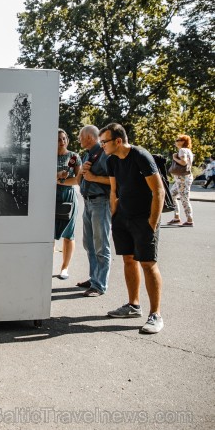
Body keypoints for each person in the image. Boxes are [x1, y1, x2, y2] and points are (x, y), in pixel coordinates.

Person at [101, 123, 165, 334]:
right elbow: (113, 191)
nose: (102, 146)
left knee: (148, 264)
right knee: (128, 260)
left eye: (105, 142)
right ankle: (133, 305)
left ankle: (155, 315)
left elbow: (158, 191)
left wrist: (152, 224)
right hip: (123, 218)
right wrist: (114, 215)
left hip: (143, 219)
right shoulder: (111, 161)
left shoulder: (141, 156)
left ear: (118, 141)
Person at [76, 125, 111, 297]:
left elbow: (115, 180)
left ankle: (99, 285)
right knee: (89, 244)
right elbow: (79, 180)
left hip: (100, 202)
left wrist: (93, 178)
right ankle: (93, 278)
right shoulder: (87, 154)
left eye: (80, 136)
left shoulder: (104, 154)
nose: (79, 139)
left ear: (89, 137)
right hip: (88, 202)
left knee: (100, 245)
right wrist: (81, 173)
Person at [55, 129, 81, 280]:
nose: (62, 141)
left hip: (68, 195)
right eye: (59, 139)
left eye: (64, 138)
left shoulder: (74, 157)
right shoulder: (48, 157)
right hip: (49, 196)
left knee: (68, 233)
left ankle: (64, 268)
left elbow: (78, 179)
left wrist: (59, 180)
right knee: (48, 232)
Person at [167, 134, 194, 227]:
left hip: (183, 179)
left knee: (184, 198)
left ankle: (189, 220)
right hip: (182, 178)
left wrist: (174, 158)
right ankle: (176, 217)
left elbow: (184, 162)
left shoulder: (182, 150)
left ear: (183, 141)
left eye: (178, 140)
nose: (176, 141)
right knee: (171, 195)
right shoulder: (188, 151)